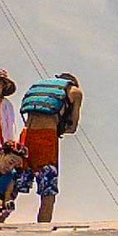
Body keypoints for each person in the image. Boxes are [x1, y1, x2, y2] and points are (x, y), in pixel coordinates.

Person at [18, 72, 82, 223]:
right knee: (48, 193)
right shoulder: (75, 91)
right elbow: (72, 128)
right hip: (46, 138)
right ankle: (42, 230)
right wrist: (61, 127)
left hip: (25, 136)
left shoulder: (40, 87)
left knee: (13, 185)